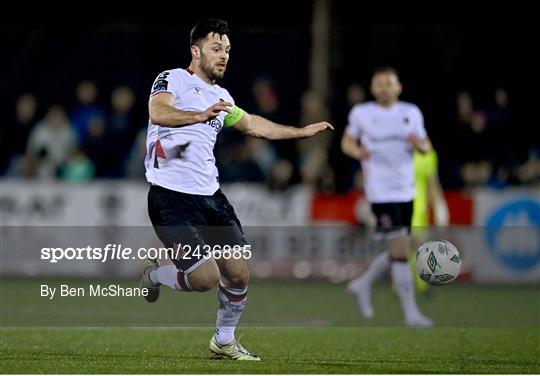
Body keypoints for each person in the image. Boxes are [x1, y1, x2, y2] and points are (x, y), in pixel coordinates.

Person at [139, 19, 333, 361]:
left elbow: (254, 124)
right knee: (204, 278)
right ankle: (155, 274)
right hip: (169, 198)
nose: (224, 56)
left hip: (211, 199)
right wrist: (197, 116)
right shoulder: (172, 79)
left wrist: (299, 132)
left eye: (227, 50)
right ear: (195, 51)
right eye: (216, 49)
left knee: (239, 273)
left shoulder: (221, 97)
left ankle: (224, 340)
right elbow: (159, 111)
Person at [341, 66, 433, 327]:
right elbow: (347, 143)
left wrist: (420, 144)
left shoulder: (410, 112)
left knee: (402, 246)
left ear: (398, 87)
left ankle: (362, 283)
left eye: (388, 83)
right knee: (400, 250)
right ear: (372, 89)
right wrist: (358, 152)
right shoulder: (362, 113)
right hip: (380, 192)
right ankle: (411, 313)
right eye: (379, 83)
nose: (384, 87)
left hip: (407, 190)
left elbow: (426, 145)